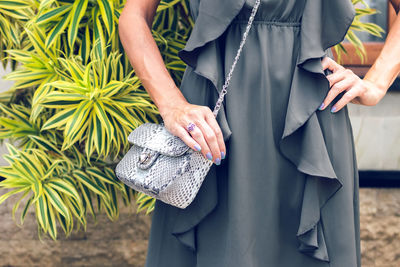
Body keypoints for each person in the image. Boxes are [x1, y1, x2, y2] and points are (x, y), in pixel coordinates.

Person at [118, 0, 400, 266]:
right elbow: (134, 17)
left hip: (308, 121)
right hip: (213, 124)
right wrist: (171, 105)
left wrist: (374, 85)